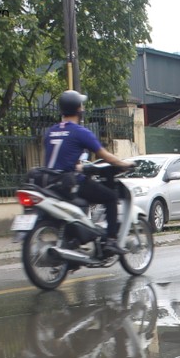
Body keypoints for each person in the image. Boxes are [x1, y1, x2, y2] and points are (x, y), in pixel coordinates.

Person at [44, 89, 135, 255]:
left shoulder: (50, 131)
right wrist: (123, 164)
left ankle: (76, 241)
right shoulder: (80, 132)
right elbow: (104, 155)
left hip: (49, 182)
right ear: (79, 109)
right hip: (69, 183)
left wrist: (79, 166)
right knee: (110, 196)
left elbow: (59, 157)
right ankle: (111, 241)